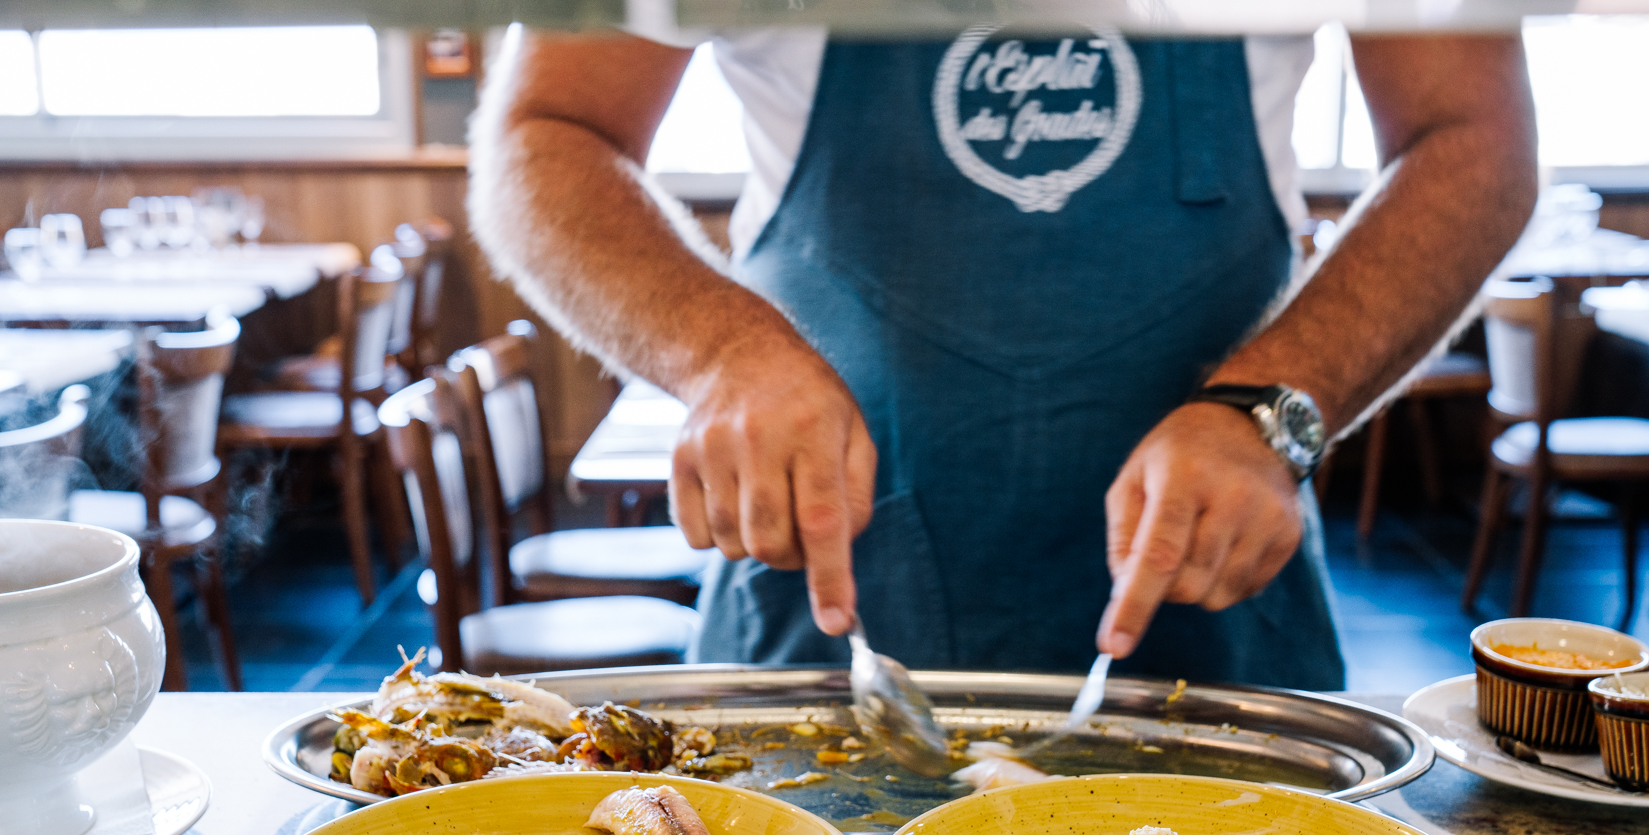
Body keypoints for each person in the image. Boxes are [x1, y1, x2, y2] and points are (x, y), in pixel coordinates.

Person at [469, 21, 1536, 688]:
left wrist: (1275, 404)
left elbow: (1472, 137)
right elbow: (543, 130)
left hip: (1208, 619)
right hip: (832, 622)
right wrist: (717, 353)